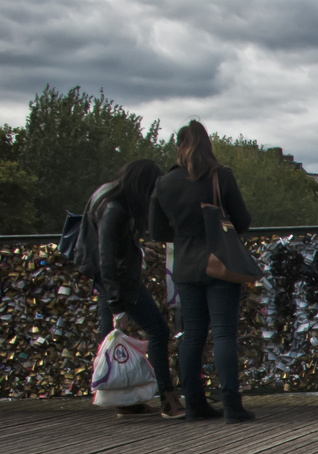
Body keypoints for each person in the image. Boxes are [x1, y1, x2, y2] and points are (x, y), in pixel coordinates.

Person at [150, 120, 254, 422]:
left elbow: (157, 230)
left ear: (179, 145)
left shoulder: (164, 182)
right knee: (223, 333)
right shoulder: (220, 176)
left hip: (185, 264)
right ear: (208, 144)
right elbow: (243, 220)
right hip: (220, 262)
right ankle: (232, 405)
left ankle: (194, 403)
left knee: (192, 334)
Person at [88, 159, 178, 418]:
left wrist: (137, 249)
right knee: (157, 331)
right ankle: (167, 398)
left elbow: (107, 250)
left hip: (111, 283)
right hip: (121, 284)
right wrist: (117, 305)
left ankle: (124, 399)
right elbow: (108, 257)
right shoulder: (117, 209)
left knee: (111, 342)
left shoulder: (110, 199)